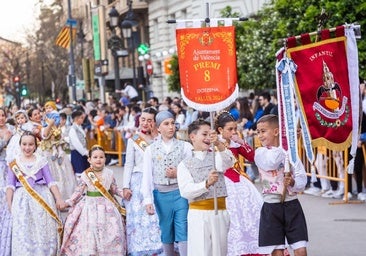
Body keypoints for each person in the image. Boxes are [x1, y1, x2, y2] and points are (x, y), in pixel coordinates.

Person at [177, 119, 235, 256]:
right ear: (192, 137)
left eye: (210, 134)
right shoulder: (184, 164)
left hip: (219, 212)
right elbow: (186, 191)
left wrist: (219, 144)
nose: (208, 137)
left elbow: (229, 162)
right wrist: (206, 184)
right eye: (204, 134)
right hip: (198, 214)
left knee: (220, 252)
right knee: (201, 251)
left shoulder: (217, 156)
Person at [254, 114, 308, 256]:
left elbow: (302, 181)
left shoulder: (291, 153)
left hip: (292, 205)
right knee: (277, 251)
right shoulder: (260, 152)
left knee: (300, 249)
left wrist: (293, 182)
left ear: (276, 131)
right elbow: (271, 162)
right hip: (271, 207)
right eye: (258, 131)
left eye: (263, 131)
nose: (260, 135)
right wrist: (288, 144)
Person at [141, 110, 193, 256]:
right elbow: (147, 176)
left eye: (172, 123)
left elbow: (193, 170)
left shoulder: (185, 147)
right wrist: (147, 200)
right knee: (166, 228)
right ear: (158, 128)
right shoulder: (150, 150)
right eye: (166, 124)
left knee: (183, 227)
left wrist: (179, 172)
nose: (171, 127)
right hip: (161, 195)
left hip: (180, 193)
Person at [6, 131, 65, 255]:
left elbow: (51, 182)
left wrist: (59, 199)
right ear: (20, 145)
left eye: (31, 144)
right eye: (24, 144)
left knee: (43, 229)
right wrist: (10, 205)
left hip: (42, 198)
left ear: (35, 146)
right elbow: (10, 186)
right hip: (22, 200)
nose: (27, 148)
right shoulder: (14, 163)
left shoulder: (41, 161)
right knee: (24, 230)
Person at [61, 145, 127, 255]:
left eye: (101, 157)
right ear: (89, 159)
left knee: (111, 230)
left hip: (107, 207)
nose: (98, 159)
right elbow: (79, 191)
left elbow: (114, 188)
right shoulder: (86, 175)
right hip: (89, 207)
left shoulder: (109, 173)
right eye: (95, 157)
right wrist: (68, 202)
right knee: (90, 229)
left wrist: (124, 194)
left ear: (105, 159)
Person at [215, 111, 265, 256]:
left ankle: (250, 245)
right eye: (230, 129)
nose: (233, 132)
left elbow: (252, 157)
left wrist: (242, 142)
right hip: (223, 184)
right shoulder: (214, 144)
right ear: (220, 130)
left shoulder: (235, 142)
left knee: (248, 215)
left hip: (241, 183)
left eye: (234, 129)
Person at [122, 107, 163, 255]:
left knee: (156, 216)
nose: (145, 123)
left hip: (156, 181)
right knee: (138, 217)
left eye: (149, 120)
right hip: (137, 180)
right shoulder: (134, 139)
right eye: (143, 119)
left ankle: (158, 247)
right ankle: (139, 248)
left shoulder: (160, 139)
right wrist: (125, 186)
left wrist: (156, 136)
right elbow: (129, 164)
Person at [0, 107, 14, 255]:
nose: (1, 118)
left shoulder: (12, 128)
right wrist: (4, 140)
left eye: (3, 115)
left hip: (12, 166)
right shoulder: (6, 133)